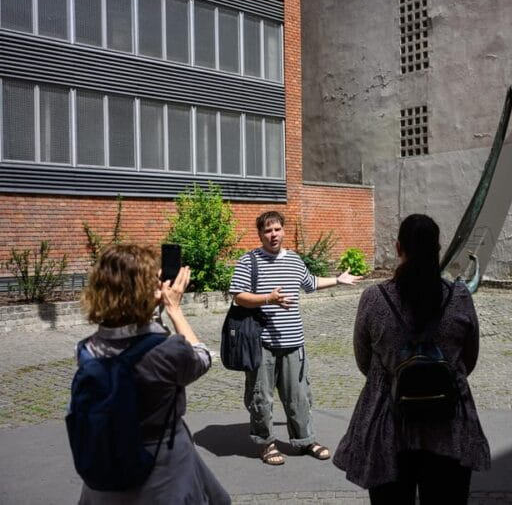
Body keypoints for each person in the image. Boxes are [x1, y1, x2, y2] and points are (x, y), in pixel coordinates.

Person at [333, 214, 490, 504]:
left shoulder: (374, 298)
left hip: (389, 425)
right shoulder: (459, 297)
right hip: (448, 424)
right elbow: (469, 359)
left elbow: (364, 360)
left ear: (397, 248)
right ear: (438, 249)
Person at [77, 244, 229, 504]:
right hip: (163, 466)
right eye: (154, 282)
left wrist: (152, 305)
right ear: (142, 292)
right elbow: (201, 358)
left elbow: (130, 328)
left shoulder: (88, 349)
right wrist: (174, 309)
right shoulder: (167, 351)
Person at [229, 210, 362, 466]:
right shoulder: (249, 261)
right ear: (260, 234)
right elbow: (238, 296)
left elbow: (310, 282)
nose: (273, 234)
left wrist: (337, 279)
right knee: (261, 397)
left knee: (299, 395)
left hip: (294, 343)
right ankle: (266, 443)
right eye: (267, 230)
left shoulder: (294, 260)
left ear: (283, 230)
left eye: (277, 229)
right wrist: (269, 298)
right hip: (261, 344)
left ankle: (305, 440)